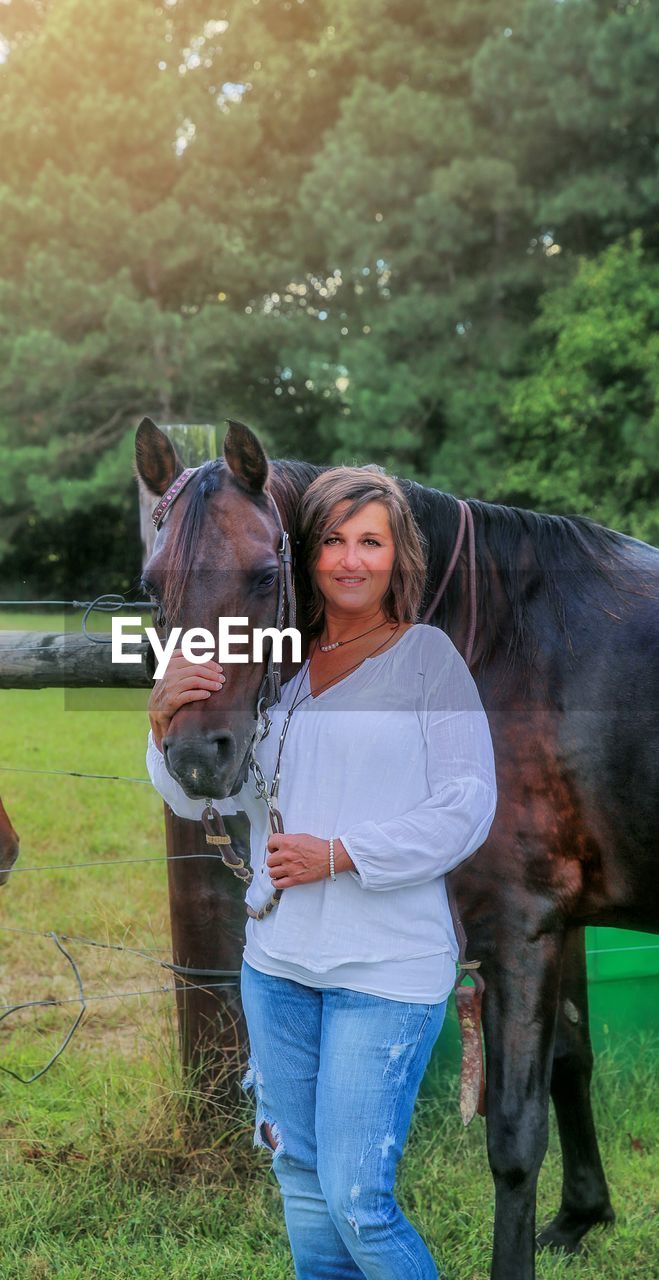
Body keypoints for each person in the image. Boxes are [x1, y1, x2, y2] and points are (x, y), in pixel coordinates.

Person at [146, 466, 497, 1280]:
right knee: (299, 1182)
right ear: (306, 558)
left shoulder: (424, 661)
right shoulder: (282, 673)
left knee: (357, 1201)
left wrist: (339, 854)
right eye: (332, 540)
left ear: (394, 556)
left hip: (384, 971)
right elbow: (220, 795)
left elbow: (466, 805)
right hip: (277, 967)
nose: (348, 559)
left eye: (367, 541)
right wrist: (162, 731)